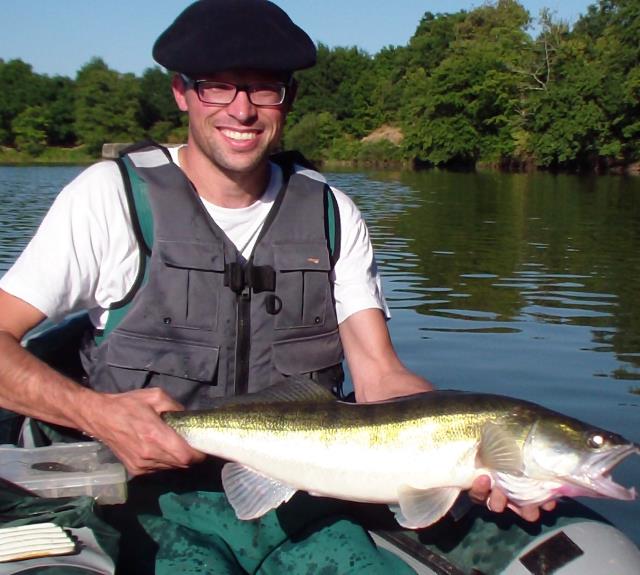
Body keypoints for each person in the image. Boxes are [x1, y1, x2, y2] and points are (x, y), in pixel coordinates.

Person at [0, 0, 554, 572]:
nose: (242, 111)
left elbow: (380, 376)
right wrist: (94, 413)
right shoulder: (107, 200)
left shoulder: (333, 213)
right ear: (182, 92)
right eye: (218, 88)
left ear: (286, 99)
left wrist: (472, 450)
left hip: (304, 505)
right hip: (145, 504)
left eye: (264, 90)